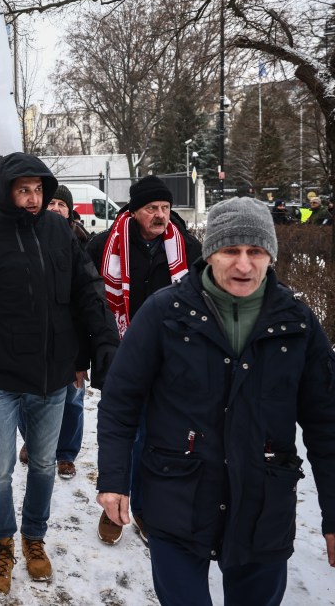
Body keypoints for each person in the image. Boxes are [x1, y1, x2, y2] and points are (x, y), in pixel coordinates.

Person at [96, 197, 335, 606]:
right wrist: (115, 479)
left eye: (255, 251)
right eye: (231, 251)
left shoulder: (297, 323)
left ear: (269, 255)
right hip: (177, 499)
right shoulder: (165, 313)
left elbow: (332, 426)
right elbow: (121, 401)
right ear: (209, 255)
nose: (244, 265)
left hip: (263, 507)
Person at [0, 154, 119, 593]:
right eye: (24, 190)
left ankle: (34, 539)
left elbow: (87, 288)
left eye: (38, 190)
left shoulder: (60, 231)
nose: (33, 198)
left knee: (43, 464)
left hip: (52, 374)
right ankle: (1, 545)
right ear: (6, 191)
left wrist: (102, 342)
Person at [85, 174, 202, 546]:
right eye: (152, 208)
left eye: (165, 208)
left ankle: (146, 510)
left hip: (173, 358)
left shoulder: (188, 248)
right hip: (120, 352)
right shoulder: (104, 246)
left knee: (159, 437)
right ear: (134, 211)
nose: (160, 215)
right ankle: (113, 506)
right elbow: (85, 302)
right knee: (124, 431)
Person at [47, 185, 92, 481]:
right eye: (50, 202)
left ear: (70, 209)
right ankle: (37, 443)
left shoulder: (84, 243)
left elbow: (90, 299)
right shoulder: (27, 238)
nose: (55, 208)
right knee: (32, 398)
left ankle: (65, 455)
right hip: (36, 336)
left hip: (73, 336)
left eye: (61, 203)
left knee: (72, 401)